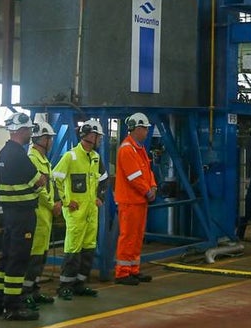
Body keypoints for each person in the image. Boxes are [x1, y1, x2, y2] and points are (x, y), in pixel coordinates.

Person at [0, 111, 46, 321]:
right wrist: (41, 179)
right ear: (22, 130)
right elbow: (39, 181)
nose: (31, 134)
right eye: (30, 130)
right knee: (18, 259)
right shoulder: (19, 156)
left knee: (6, 258)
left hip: (8, 214)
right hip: (23, 215)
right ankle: (13, 306)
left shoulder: (2, 154)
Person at [53, 118, 108, 299]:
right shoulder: (70, 157)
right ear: (91, 136)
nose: (100, 139)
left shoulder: (95, 157)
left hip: (91, 212)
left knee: (88, 248)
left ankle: (79, 283)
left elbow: (104, 179)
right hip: (76, 213)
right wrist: (66, 201)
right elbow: (55, 179)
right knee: (73, 249)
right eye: (98, 136)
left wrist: (100, 197)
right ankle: (65, 286)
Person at [113, 112, 157, 285]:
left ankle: (133, 269)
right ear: (137, 129)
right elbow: (134, 177)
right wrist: (148, 191)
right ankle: (122, 273)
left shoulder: (139, 149)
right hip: (130, 201)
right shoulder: (127, 149)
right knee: (128, 236)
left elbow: (147, 171)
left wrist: (153, 186)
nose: (147, 132)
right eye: (145, 129)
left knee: (137, 236)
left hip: (139, 201)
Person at [23, 120, 61, 308]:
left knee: (41, 255)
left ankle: (35, 290)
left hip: (45, 216)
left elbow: (51, 185)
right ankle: (26, 293)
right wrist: (52, 204)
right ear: (41, 139)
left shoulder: (44, 160)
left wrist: (58, 200)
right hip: (38, 214)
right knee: (34, 256)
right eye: (49, 138)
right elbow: (39, 188)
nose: (51, 142)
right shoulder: (32, 159)